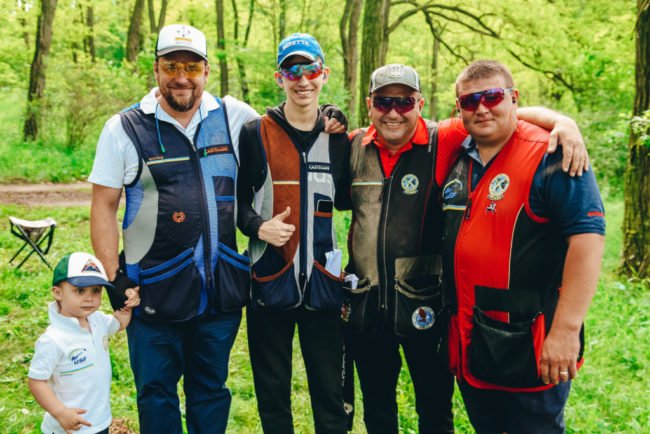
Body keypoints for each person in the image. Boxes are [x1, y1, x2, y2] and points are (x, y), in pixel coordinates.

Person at [343, 63, 590, 434]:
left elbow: (497, 113)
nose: (394, 112)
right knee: (378, 408)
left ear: (420, 104)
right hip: (368, 305)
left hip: (426, 307)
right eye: (383, 102)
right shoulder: (352, 145)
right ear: (369, 105)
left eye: (404, 102)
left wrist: (562, 122)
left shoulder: (445, 137)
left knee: (435, 409)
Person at [89, 24, 259, 434]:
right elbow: (103, 206)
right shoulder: (125, 127)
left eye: (192, 67)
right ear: (156, 69)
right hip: (151, 294)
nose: (181, 77)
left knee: (211, 392)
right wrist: (113, 277)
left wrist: (327, 118)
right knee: (156, 394)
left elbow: (289, 128)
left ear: (207, 71)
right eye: (171, 66)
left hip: (219, 294)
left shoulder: (234, 117)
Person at [441, 59, 605, 433]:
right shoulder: (457, 152)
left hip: (532, 343)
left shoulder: (553, 153)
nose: (482, 108)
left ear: (514, 98)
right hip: (473, 342)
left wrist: (566, 331)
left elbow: (588, 240)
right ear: (459, 108)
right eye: (469, 101)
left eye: (492, 96)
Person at [236, 33, 350, 434]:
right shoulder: (255, 133)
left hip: (323, 284)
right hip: (270, 280)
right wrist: (258, 226)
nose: (303, 80)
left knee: (330, 397)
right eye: (292, 71)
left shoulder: (339, 139)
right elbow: (236, 204)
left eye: (311, 70)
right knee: (272, 396)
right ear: (279, 78)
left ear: (325, 74)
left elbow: (349, 199)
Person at [28, 252, 140, 434]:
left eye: (96, 291)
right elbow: (36, 382)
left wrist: (128, 305)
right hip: (70, 426)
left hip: (100, 421)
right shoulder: (53, 339)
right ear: (57, 293)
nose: (89, 298)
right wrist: (61, 413)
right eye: (80, 291)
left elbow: (118, 322)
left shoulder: (97, 321)